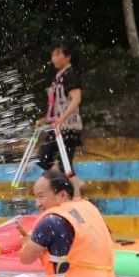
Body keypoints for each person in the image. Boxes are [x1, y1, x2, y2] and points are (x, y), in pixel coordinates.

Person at [0, 170, 115, 277]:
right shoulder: (87, 210)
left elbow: (26, 258)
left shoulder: (51, 221)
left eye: (41, 196)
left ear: (62, 195)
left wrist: (27, 242)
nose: (37, 204)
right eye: (36, 197)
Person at [38, 41, 84, 197]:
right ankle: (68, 183)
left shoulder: (70, 74)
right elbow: (57, 103)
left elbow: (76, 99)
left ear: (68, 56)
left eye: (58, 54)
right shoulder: (59, 76)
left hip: (68, 127)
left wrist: (62, 119)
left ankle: (75, 192)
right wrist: (46, 119)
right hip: (57, 126)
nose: (54, 57)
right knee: (45, 158)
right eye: (53, 54)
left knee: (64, 165)